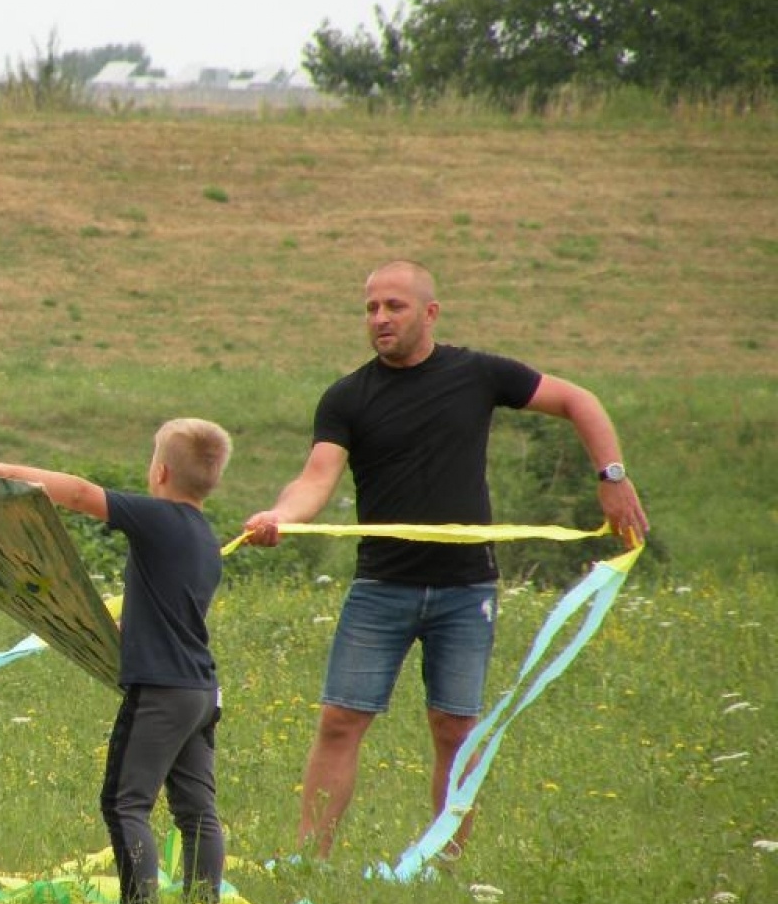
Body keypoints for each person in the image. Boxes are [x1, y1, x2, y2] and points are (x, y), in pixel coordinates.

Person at [241, 260, 649, 861]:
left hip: (466, 590)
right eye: (371, 308)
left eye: (394, 307)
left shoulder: (479, 374)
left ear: (429, 313)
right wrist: (282, 516)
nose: (379, 318)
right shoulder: (347, 397)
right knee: (339, 722)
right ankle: (308, 864)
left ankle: (443, 864)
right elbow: (314, 479)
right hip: (381, 586)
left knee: (456, 732)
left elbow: (577, 401)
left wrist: (611, 476)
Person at [0, 417, 234, 904]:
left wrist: (5, 473)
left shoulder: (158, 518)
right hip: (200, 690)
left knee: (125, 804)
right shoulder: (205, 540)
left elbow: (81, 494)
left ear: (162, 471)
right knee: (197, 812)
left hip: (161, 693)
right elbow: (173, 608)